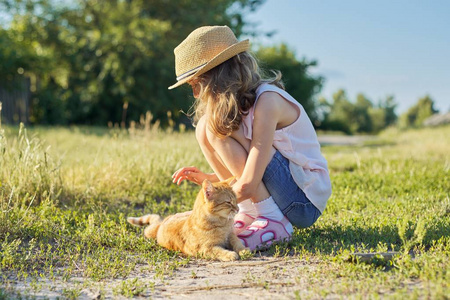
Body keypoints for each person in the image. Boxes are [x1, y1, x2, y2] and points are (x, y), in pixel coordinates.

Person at [170, 25, 332, 251]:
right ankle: (249, 213)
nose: (196, 94)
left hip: (302, 200)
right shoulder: (242, 105)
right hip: (283, 189)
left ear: (217, 76)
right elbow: (245, 167)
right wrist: (211, 178)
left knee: (214, 126)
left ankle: (273, 221)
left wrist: (205, 211)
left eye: (196, 84)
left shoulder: (268, 101)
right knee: (205, 126)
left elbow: (249, 180)